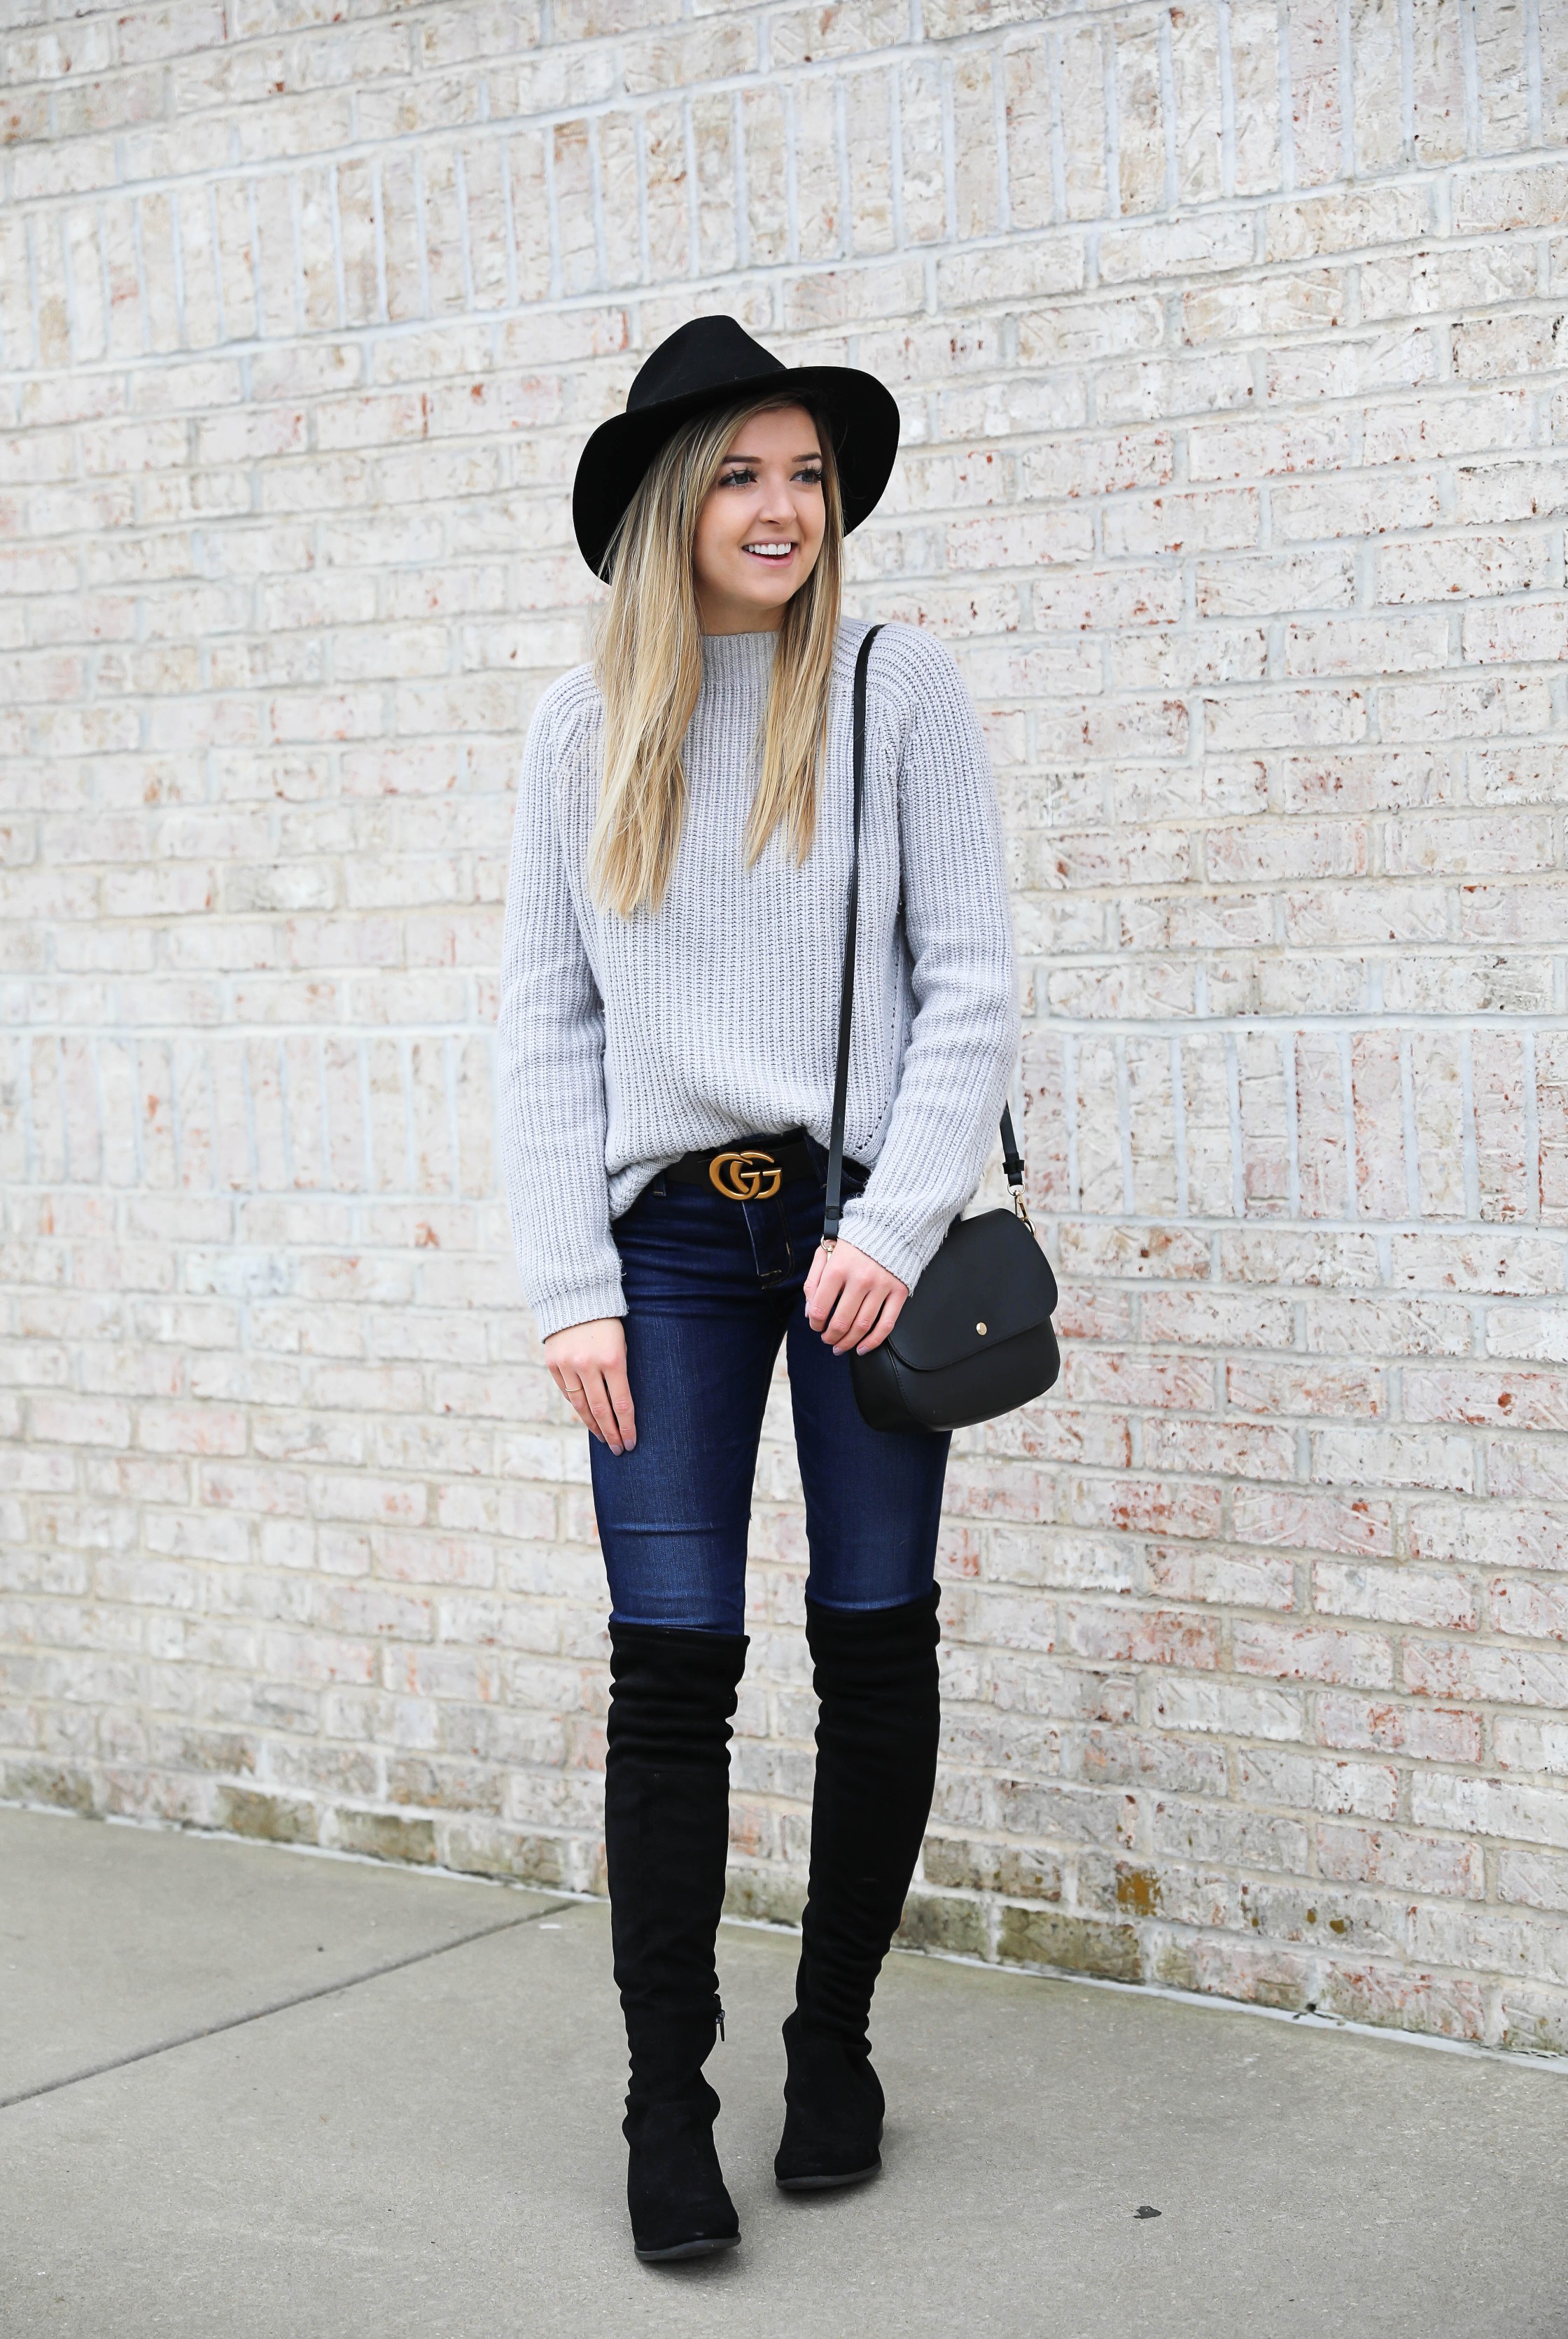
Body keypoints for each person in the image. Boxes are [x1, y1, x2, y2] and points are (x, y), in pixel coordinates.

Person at [498, 314, 1016, 2263]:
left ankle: (835, 2046)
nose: (782, 505)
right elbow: (542, 1025)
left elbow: (969, 979)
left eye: (805, 471)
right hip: (667, 1258)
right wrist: (569, 1283)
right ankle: (665, 2102)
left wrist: (886, 1234)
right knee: (673, 1673)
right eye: (740, 472)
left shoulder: (897, 692)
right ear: (668, 504)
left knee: (874, 1643)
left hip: (862, 1235)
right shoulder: (581, 728)